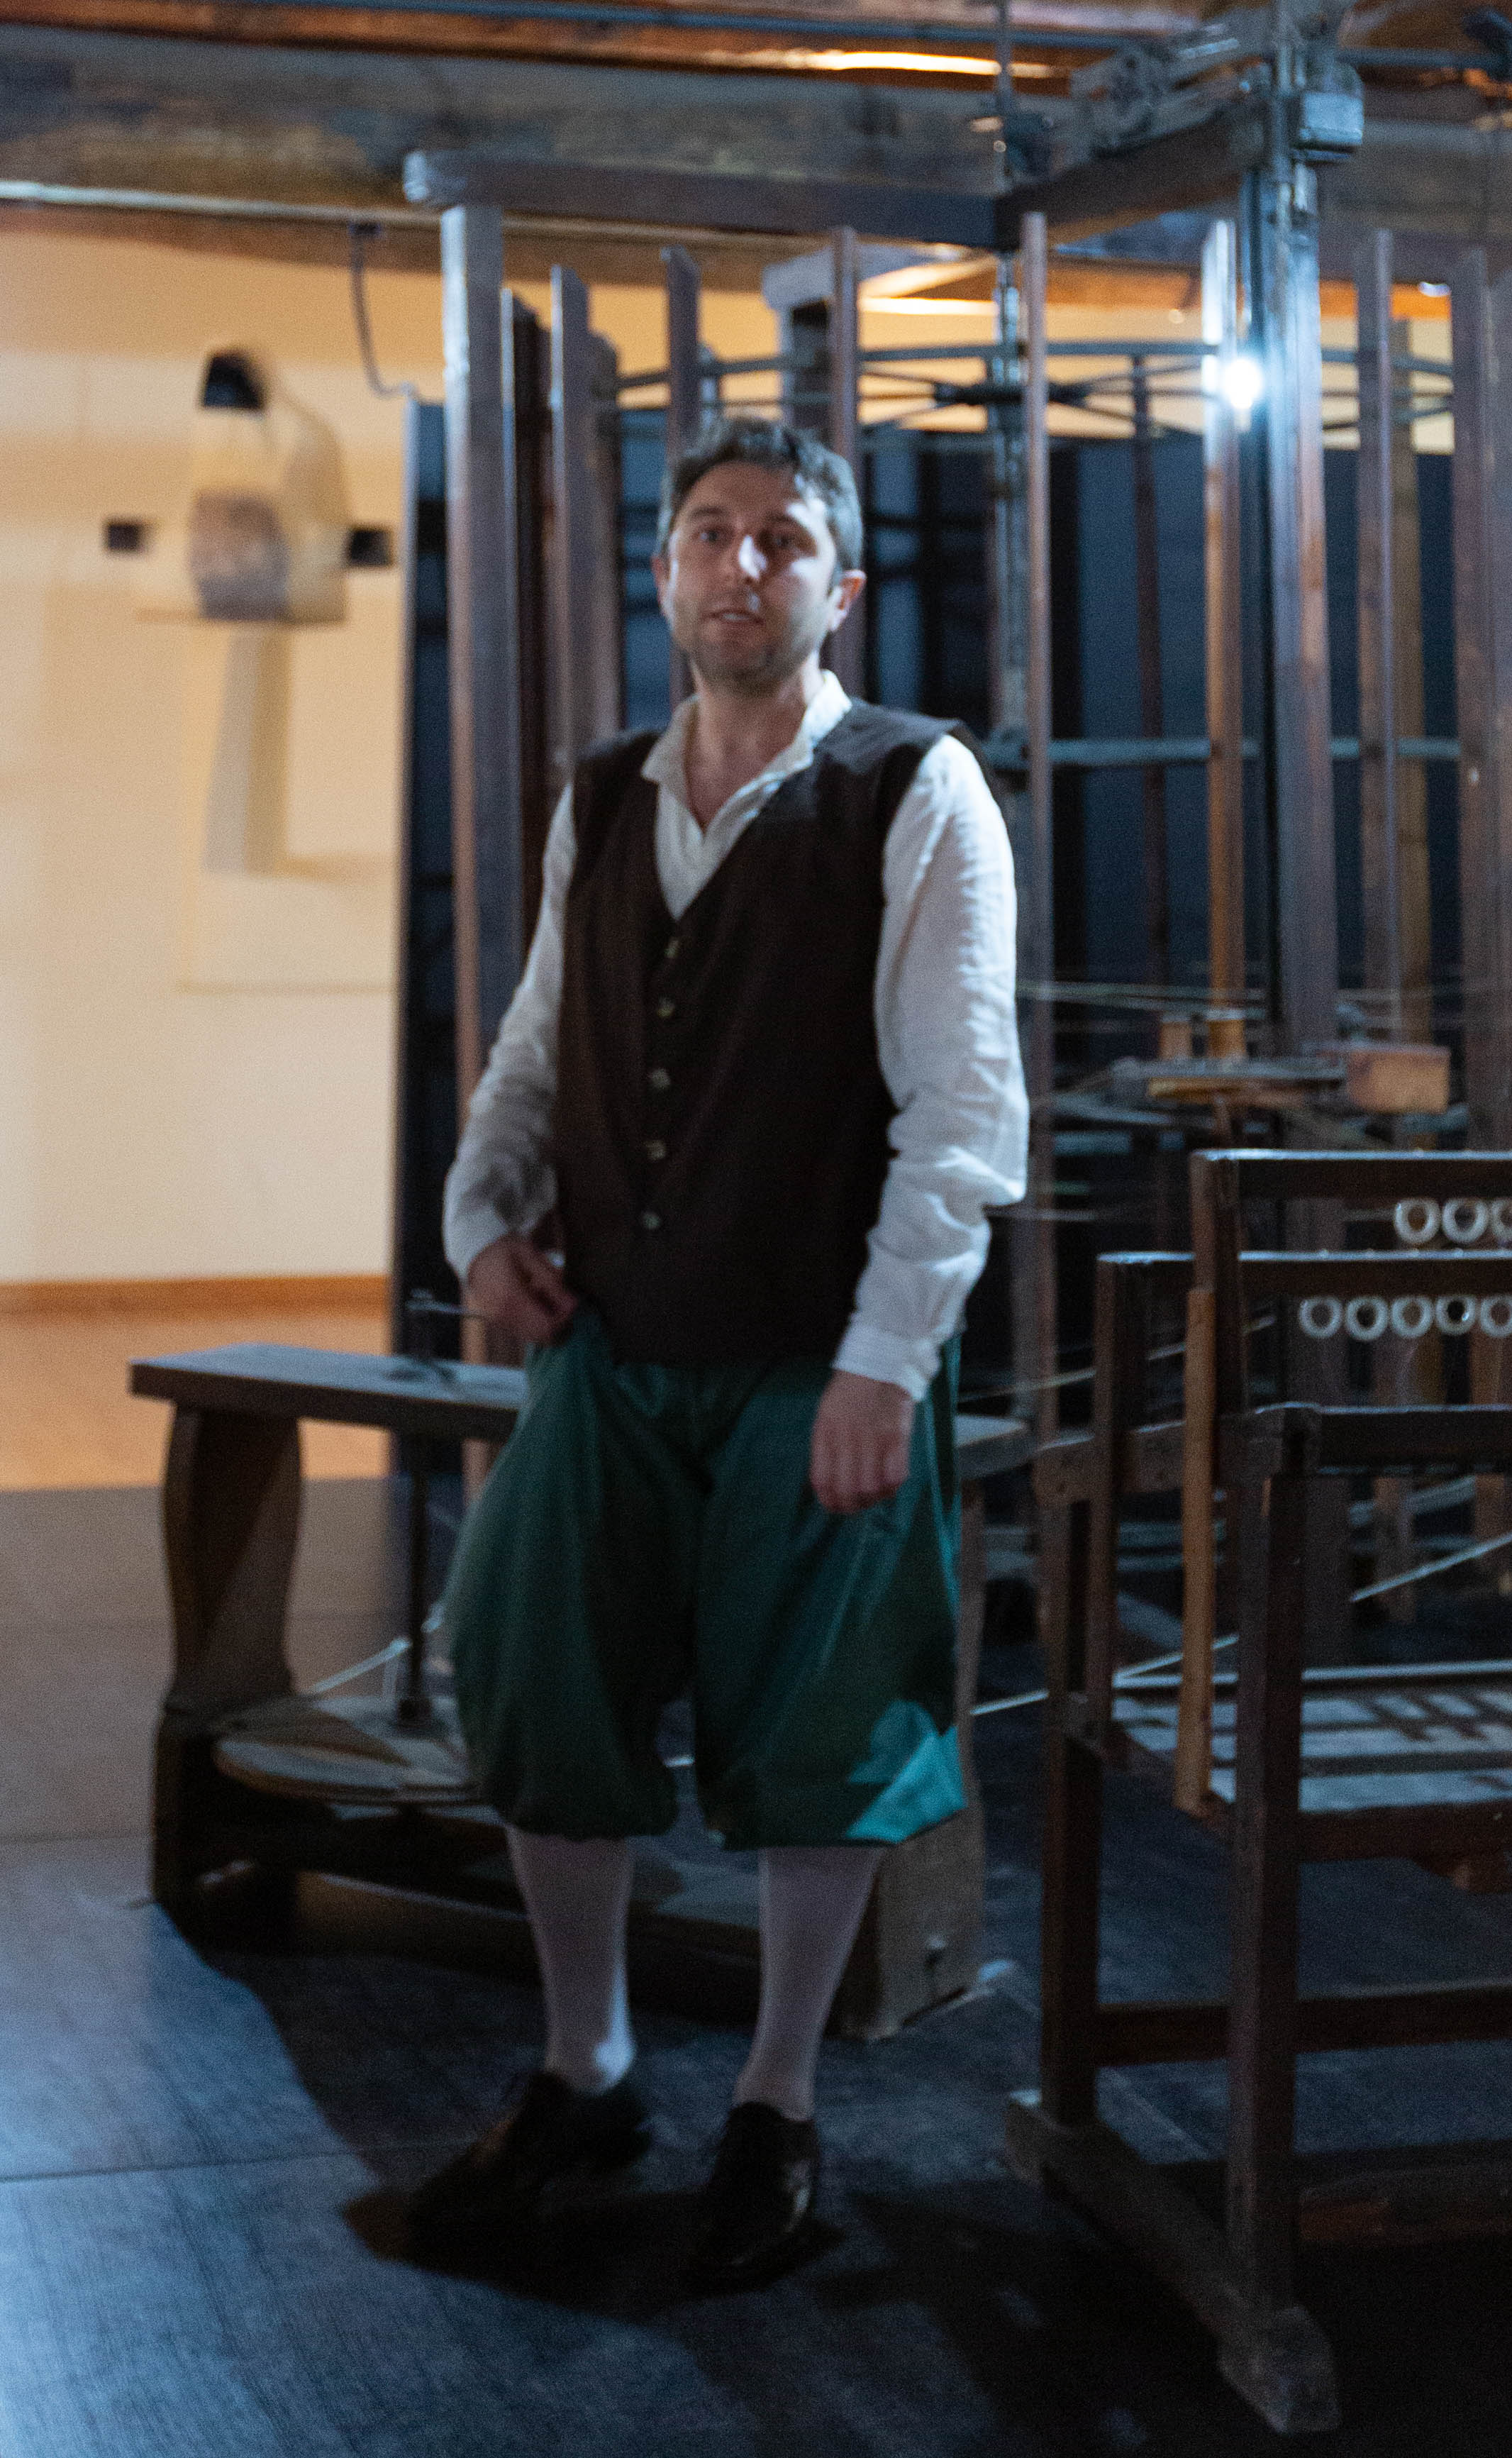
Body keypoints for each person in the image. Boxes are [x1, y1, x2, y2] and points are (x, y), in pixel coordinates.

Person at [409, 416, 1027, 2286]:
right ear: (666, 571)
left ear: (841, 588)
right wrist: (480, 1221)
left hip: (814, 1353)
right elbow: (537, 1043)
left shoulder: (914, 786)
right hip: (612, 1346)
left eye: (779, 538)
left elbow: (962, 1111)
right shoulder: (604, 793)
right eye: (706, 532)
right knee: (535, 1676)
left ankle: (777, 2098)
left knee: (820, 1731)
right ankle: (587, 2066)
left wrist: (885, 1360)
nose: (739, 563)